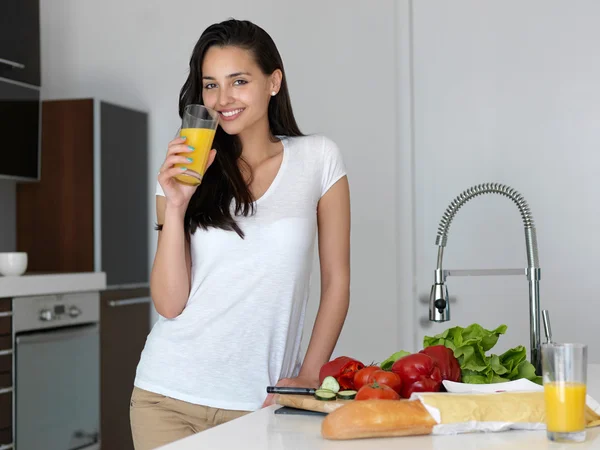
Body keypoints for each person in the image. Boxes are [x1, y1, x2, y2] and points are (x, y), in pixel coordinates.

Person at [130, 18, 351, 449]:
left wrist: (309, 376)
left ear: (273, 82)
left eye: (239, 81)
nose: (223, 99)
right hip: (165, 399)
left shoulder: (319, 159)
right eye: (210, 85)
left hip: (260, 406)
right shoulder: (185, 171)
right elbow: (170, 303)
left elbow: (337, 283)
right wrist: (175, 206)